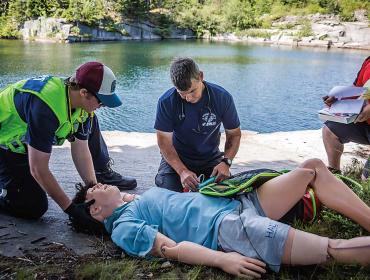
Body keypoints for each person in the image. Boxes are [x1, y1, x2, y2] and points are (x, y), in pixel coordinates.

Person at [72, 159, 370, 278]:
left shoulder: (132, 203)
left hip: (236, 201)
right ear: (95, 211)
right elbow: (172, 249)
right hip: (230, 229)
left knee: (312, 168)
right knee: (331, 249)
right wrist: (221, 260)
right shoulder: (123, 228)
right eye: (92, 192)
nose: (96, 184)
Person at [0, 61, 136, 223]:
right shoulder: (45, 107)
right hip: (5, 148)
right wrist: (71, 209)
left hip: (22, 148)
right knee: (33, 207)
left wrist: (94, 188)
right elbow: (38, 168)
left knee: (92, 123)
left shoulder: (79, 102)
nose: (103, 106)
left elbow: (81, 150)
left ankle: (103, 172)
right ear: (84, 92)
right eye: (101, 101)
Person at [154, 57, 241, 192]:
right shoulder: (166, 101)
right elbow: (164, 143)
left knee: (226, 195)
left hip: (210, 159)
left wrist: (226, 162)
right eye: (182, 94)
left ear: (201, 76)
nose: (188, 98)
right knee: (167, 196)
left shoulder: (222, 97)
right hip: (177, 160)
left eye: (192, 91)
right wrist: (182, 171)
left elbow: (234, 134)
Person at [322, 56, 370, 179]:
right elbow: (358, 90)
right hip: (366, 125)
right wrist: (337, 97)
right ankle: (335, 176)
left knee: (366, 181)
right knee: (329, 130)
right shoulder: (368, 61)